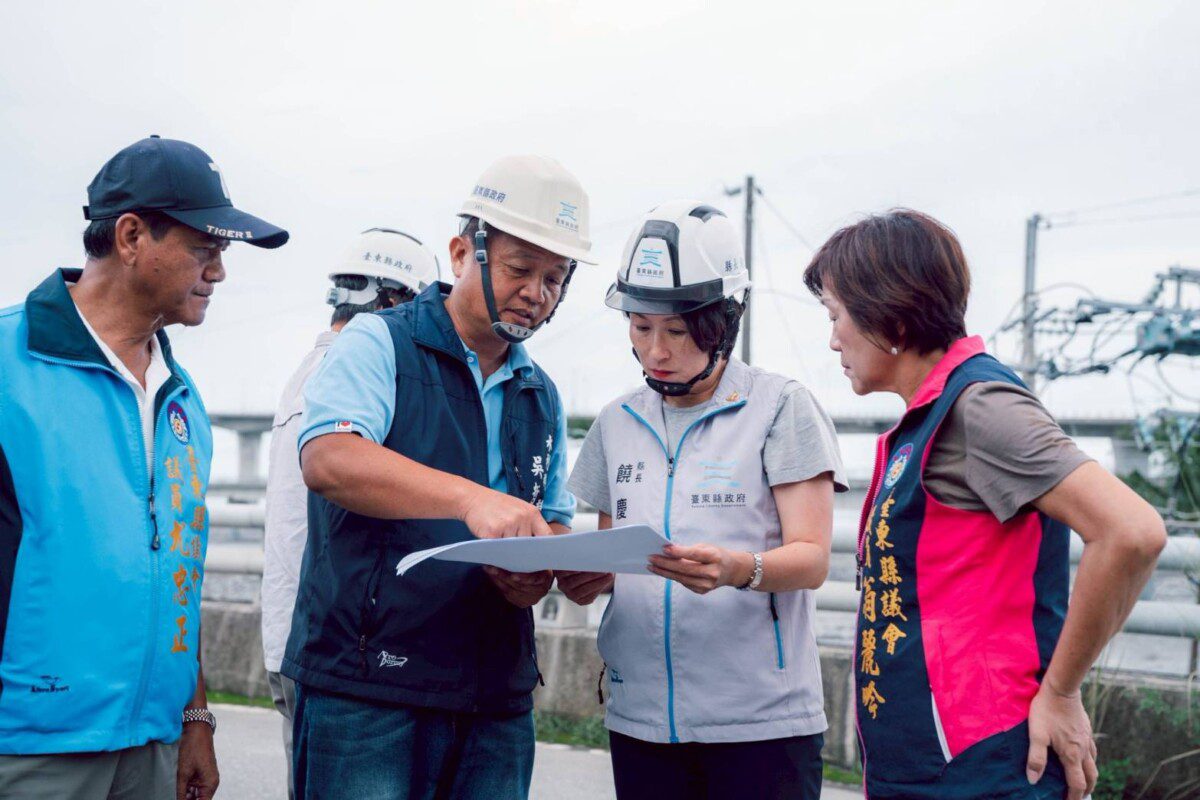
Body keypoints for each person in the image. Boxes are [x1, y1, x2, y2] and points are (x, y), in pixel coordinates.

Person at [803, 209, 1167, 800]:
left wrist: (1061, 692)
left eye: (836, 315)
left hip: (984, 765)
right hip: (927, 763)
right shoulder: (933, 413)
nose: (833, 338)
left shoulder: (980, 407)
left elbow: (1132, 531)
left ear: (889, 314)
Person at [284, 155, 594, 799]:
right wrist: (472, 501)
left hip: (495, 698)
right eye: (519, 269)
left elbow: (549, 519)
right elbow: (330, 459)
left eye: (555, 279)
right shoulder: (377, 342)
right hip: (368, 689)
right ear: (461, 254)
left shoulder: (541, 393)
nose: (536, 293)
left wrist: (541, 573)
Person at [0, 135, 288, 799]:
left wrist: (194, 718)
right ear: (131, 236)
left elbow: (176, 572)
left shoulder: (181, 400)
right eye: (205, 248)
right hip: (29, 747)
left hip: (154, 748)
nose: (219, 272)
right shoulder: (9, 364)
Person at [563, 200, 847, 800]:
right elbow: (613, 556)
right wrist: (586, 577)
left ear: (724, 321)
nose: (656, 351)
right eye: (641, 327)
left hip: (761, 726)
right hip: (639, 719)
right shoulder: (616, 422)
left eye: (676, 331)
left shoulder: (780, 407)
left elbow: (813, 558)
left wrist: (739, 569)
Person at [260, 227, 440, 799]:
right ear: (394, 300)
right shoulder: (351, 374)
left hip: (294, 630)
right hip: (329, 644)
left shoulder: (308, 370)